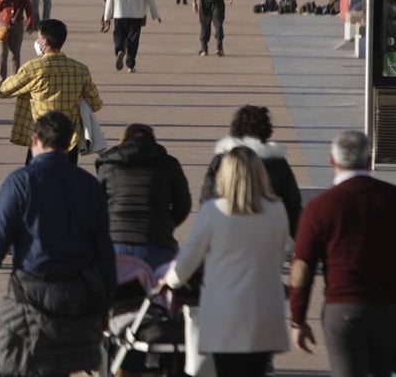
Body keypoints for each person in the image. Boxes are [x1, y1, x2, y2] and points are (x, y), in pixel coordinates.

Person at [0, 111, 116, 377]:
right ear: (70, 142)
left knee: (11, 358)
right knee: (67, 365)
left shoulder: (20, 183)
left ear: (35, 140)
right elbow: (104, 250)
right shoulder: (90, 186)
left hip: (30, 294)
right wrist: (107, 304)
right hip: (78, 296)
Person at [159, 146, 290, 377]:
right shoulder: (277, 210)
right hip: (265, 310)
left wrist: (169, 280)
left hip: (225, 312)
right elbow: (280, 255)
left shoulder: (214, 211)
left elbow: (188, 260)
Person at [289, 130, 396, 377]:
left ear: (331, 162)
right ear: (369, 161)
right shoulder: (391, 198)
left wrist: (298, 318)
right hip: (389, 309)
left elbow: (302, 267)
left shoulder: (319, 207)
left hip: (343, 309)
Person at [0, 19, 103, 163]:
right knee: (67, 183)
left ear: (44, 41)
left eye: (38, 37)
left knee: (35, 181)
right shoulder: (80, 70)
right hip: (69, 141)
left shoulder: (33, 68)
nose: (37, 41)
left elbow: (3, 91)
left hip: (42, 138)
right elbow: (96, 104)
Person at [95, 123, 191, 270]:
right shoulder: (169, 164)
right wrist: (166, 223)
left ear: (123, 141)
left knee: (112, 290)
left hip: (115, 242)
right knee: (158, 289)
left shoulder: (108, 166)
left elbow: (95, 206)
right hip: (157, 242)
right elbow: (183, 204)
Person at [201, 105, 304, 236]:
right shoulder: (278, 164)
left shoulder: (222, 159)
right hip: (268, 236)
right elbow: (292, 205)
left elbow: (207, 197)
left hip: (227, 233)